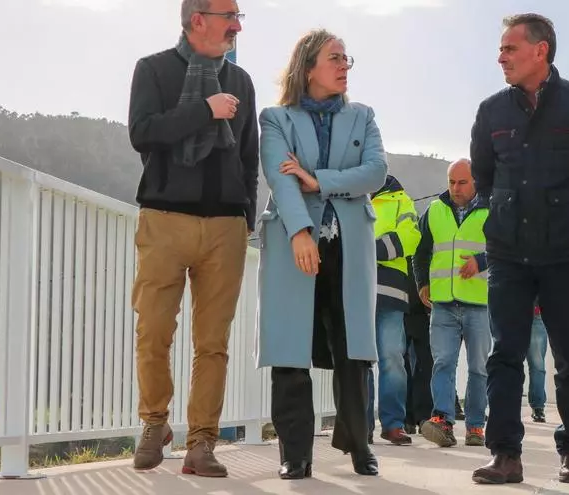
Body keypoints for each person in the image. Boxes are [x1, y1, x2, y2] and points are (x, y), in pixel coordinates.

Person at [469, 14, 569, 485]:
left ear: (541, 51)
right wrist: (506, 214)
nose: (500, 57)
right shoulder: (491, 112)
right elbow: (484, 178)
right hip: (509, 253)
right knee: (504, 354)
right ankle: (505, 455)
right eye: (501, 49)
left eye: (510, 49)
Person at [127, 0, 257, 477]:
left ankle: (202, 442)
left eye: (240, 16)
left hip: (225, 226)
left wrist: (244, 214)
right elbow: (143, 133)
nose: (237, 25)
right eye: (230, 16)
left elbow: (248, 156)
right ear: (198, 19)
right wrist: (205, 110)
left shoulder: (241, 81)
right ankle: (154, 423)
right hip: (165, 219)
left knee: (213, 342)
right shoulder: (154, 69)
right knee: (153, 330)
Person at [256, 28, 387, 480]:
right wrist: (300, 232)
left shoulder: (363, 116)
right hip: (295, 240)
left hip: (349, 242)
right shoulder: (276, 118)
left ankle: (359, 443)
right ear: (308, 66)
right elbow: (280, 177)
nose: (344, 65)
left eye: (347, 58)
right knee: (291, 347)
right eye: (335, 58)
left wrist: (319, 180)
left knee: (353, 348)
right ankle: (295, 453)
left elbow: (376, 171)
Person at [413, 158, 491, 448]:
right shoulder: (434, 210)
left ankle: (475, 426)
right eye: (451, 182)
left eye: (462, 182)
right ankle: (443, 422)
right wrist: (422, 283)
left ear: (475, 182)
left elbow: (507, 247)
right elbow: (420, 252)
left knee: (478, 368)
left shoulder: (491, 210)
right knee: (443, 363)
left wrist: (481, 261)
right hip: (443, 303)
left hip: (479, 303)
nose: (455, 188)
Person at [365, 175, 421, 445]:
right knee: (359, 360)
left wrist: (370, 248)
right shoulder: (349, 196)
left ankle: (393, 424)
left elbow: (410, 237)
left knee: (392, 358)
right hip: (356, 289)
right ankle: (360, 425)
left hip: (391, 292)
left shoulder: (402, 200)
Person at [402, 254, 435, 435]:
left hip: (425, 302)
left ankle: (422, 415)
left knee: (426, 362)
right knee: (402, 361)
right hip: (404, 299)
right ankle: (408, 417)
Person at [527, 302, 548, 423]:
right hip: (511, 312)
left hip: (536, 314)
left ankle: (538, 406)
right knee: (509, 363)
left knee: (538, 365)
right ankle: (508, 405)